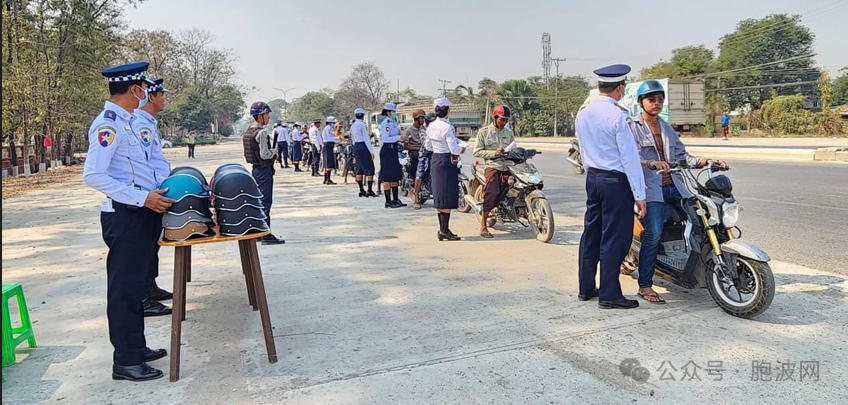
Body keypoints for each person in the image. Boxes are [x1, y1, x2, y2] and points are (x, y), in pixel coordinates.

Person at [83, 62, 171, 381]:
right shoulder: (108, 125)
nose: (147, 93)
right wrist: (141, 198)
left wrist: (156, 191)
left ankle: (137, 347)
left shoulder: (130, 121)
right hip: (125, 216)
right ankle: (126, 360)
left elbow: (143, 166)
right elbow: (93, 175)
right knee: (123, 289)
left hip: (142, 212)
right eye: (144, 87)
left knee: (135, 288)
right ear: (134, 89)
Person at [631, 80, 729, 304]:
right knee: (653, 233)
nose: (656, 103)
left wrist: (707, 161)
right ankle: (645, 285)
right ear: (641, 103)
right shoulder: (632, 127)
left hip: (676, 186)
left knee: (704, 218)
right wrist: (650, 163)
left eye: (659, 99)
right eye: (651, 99)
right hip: (651, 191)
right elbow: (630, 159)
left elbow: (683, 157)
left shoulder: (665, 127)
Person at [575, 64, 646, 310]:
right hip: (615, 181)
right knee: (615, 238)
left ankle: (586, 288)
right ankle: (610, 294)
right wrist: (640, 194)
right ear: (619, 87)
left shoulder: (583, 113)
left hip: (592, 177)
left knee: (592, 233)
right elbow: (629, 158)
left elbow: (583, 149)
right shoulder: (618, 116)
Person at [133, 77, 174, 317]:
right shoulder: (141, 124)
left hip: (154, 190)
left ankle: (151, 287)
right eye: (162, 95)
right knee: (144, 249)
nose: (164, 99)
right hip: (146, 195)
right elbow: (143, 162)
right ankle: (145, 297)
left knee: (152, 246)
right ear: (152, 97)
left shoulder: (148, 122)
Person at [243, 101, 285, 245]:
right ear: (260, 116)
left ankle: (259, 231)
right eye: (267, 114)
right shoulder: (261, 133)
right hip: (263, 169)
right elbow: (265, 154)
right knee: (266, 201)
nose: (268, 117)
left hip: (255, 169)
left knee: (259, 201)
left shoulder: (249, 131)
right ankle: (266, 234)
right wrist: (275, 152)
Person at [472, 106, 515, 238]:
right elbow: (477, 151)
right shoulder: (484, 132)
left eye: (506, 120)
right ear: (495, 118)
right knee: (493, 193)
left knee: (518, 187)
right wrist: (493, 153)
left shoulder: (509, 133)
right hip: (493, 166)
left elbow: (513, 147)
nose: (504, 123)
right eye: (502, 120)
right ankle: (483, 226)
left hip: (508, 166)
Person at [427, 98, 464, 240]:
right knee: (446, 195)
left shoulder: (431, 126)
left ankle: (443, 229)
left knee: (439, 195)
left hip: (436, 159)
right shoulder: (448, 127)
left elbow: (428, 146)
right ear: (447, 111)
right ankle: (444, 230)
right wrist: (462, 149)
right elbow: (453, 149)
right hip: (446, 161)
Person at [378, 103, 407, 208]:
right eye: (393, 112)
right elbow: (386, 138)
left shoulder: (394, 122)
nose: (395, 114)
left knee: (395, 175)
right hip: (387, 150)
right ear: (388, 112)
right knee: (387, 177)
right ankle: (388, 201)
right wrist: (399, 138)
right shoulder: (386, 123)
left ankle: (395, 199)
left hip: (394, 149)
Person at [351, 108, 377, 197]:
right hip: (363, 146)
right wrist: (371, 151)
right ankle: (369, 190)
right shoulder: (362, 125)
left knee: (359, 169)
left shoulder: (353, 125)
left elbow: (353, 138)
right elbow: (366, 138)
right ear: (363, 115)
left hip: (356, 146)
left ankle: (361, 190)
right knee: (370, 168)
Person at [413, 113, 437, 210]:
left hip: (436, 154)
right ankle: (416, 198)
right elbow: (425, 141)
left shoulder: (438, 128)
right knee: (419, 175)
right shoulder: (423, 130)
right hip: (425, 155)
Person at [404, 109, 426, 204]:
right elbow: (406, 146)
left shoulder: (424, 129)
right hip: (414, 150)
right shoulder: (409, 130)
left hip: (424, 150)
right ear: (416, 119)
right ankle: (412, 176)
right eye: (421, 118)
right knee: (415, 156)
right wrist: (417, 148)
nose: (423, 120)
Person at [320, 116, 339, 185]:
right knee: (328, 163)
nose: (334, 124)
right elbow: (329, 138)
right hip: (328, 145)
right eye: (334, 122)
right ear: (330, 122)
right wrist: (338, 138)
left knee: (327, 163)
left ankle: (325, 179)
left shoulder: (329, 128)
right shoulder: (328, 128)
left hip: (328, 145)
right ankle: (328, 179)